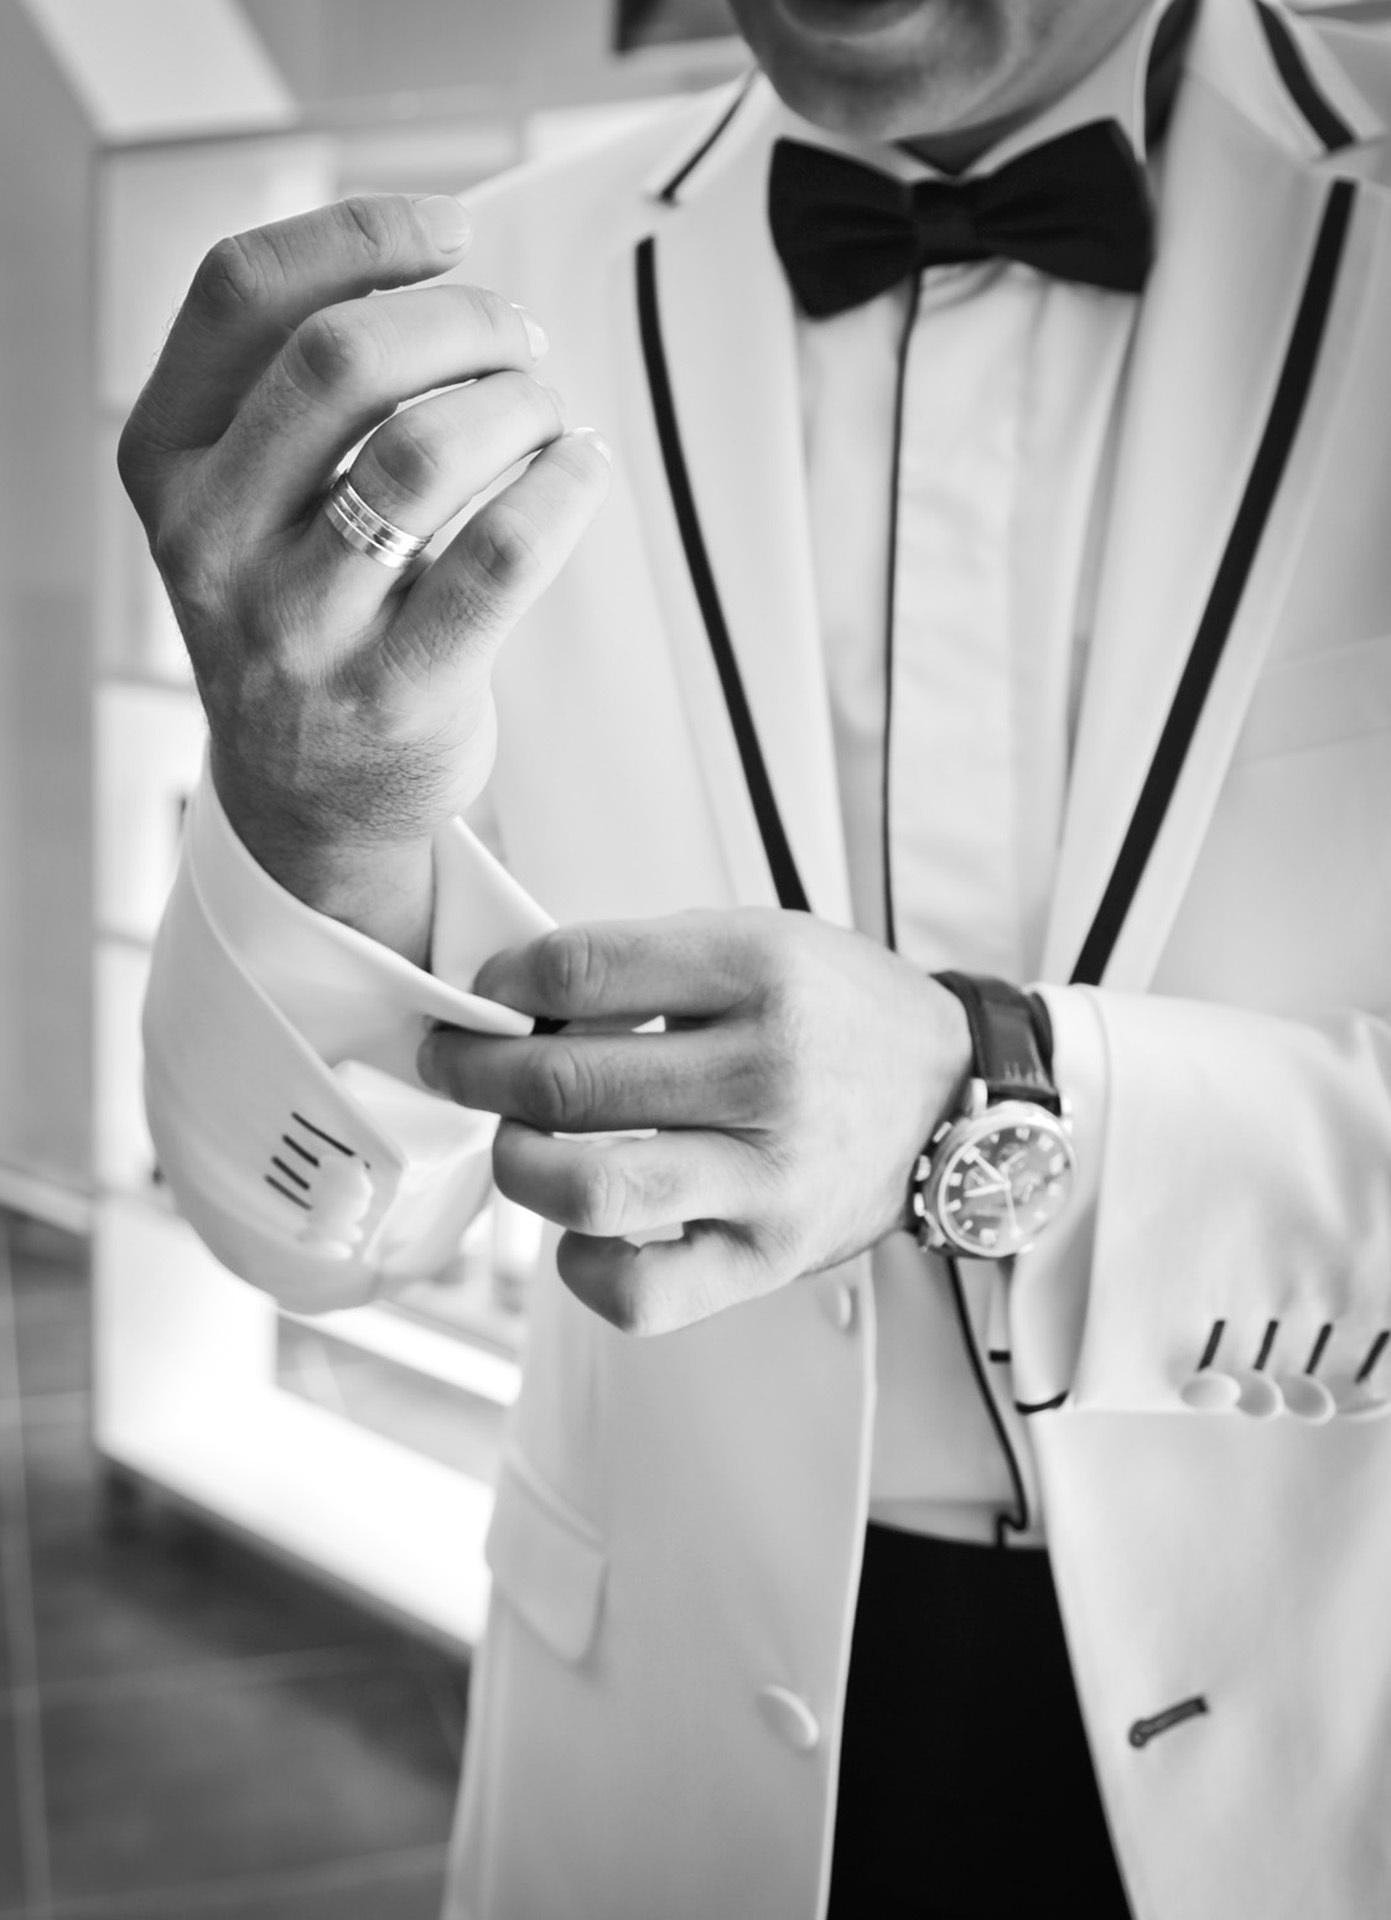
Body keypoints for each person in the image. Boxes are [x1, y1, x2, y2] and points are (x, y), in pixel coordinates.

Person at [118, 0, 1391, 1913]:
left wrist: (1009, 1107)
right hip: (656, 1756)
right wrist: (317, 814)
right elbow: (300, 1235)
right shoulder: (476, 301)